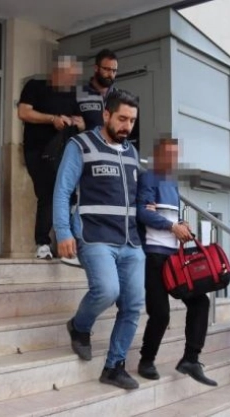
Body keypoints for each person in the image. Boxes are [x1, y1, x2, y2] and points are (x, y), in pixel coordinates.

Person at [53, 89, 144, 390]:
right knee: (106, 290)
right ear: (106, 115)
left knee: (133, 305)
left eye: (132, 121)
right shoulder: (80, 145)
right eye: (122, 119)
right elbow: (62, 190)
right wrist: (63, 231)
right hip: (94, 236)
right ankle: (80, 326)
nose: (127, 126)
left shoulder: (131, 153)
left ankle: (114, 366)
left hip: (130, 241)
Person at [136, 138, 218, 387]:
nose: (171, 160)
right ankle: (146, 360)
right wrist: (172, 226)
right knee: (160, 314)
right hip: (154, 256)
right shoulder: (149, 177)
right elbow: (143, 212)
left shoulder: (171, 183)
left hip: (174, 257)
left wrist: (181, 225)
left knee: (200, 302)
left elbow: (167, 216)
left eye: (175, 155)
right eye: (167, 154)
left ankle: (191, 359)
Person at [18, 55, 84, 259]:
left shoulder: (73, 95)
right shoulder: (35, 86)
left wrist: (78, 123)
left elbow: (83, 122)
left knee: (70, 195)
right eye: (70, 73)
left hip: (66, 152)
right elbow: (24, 112)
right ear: (58, 70)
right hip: (38, 151)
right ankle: (43, 243)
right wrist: (52, 119)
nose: (73, 78)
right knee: (47, 193)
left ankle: (68, 244)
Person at [76, 49, 118, 130]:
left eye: (114, 71)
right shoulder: (80, 94)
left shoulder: (119, 97)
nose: (111, 74)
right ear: (96, 68)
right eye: (106, 69)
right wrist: (80, 129)